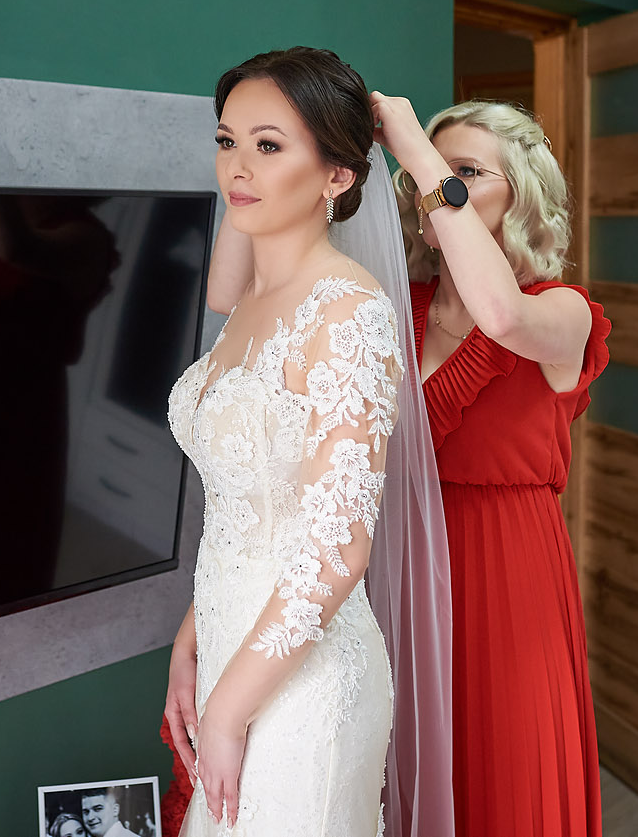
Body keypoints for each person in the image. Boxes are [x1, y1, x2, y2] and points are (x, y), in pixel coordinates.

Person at [164, 47, 400, 834]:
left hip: (306, 685)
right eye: (226, 140)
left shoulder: (348, 313)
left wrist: (229, 710)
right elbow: (250, 510)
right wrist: (193, 636)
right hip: (232, 643)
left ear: (337, 175)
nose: (238, 165)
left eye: (269, 145)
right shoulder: (247, 305)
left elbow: (337, 547)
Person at [372, 95, 611, 837]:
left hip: (508, 574)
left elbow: (501, 318)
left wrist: (414, 146)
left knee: (505, 775)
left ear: (522, 196)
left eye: (464, 172)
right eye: (427, 174)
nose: (435, 185)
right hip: (393, 571)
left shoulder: (563, 311)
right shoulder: (391, 309)